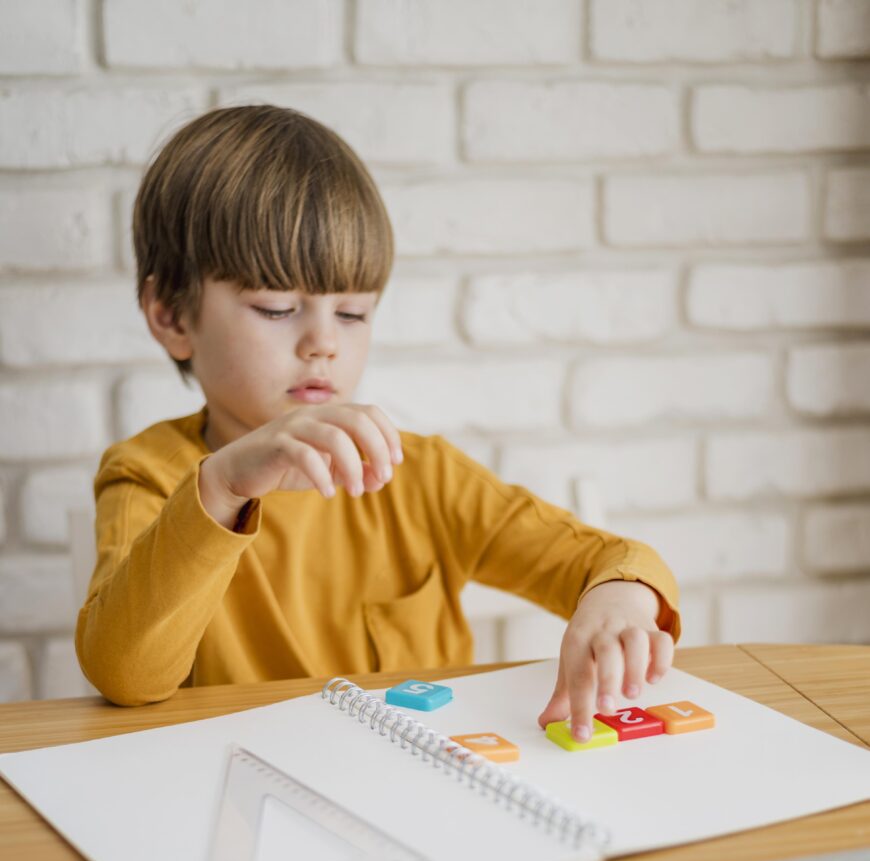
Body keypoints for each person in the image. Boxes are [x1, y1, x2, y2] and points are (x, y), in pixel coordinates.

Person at [75, 104, 681, 742]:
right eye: (277, 308)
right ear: (171, 316)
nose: (323, 343)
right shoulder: (146, 475)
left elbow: (616, 558)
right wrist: (222, 490)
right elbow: (125, 674)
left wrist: (619, 600)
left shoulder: (419, 474)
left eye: (354, 314)